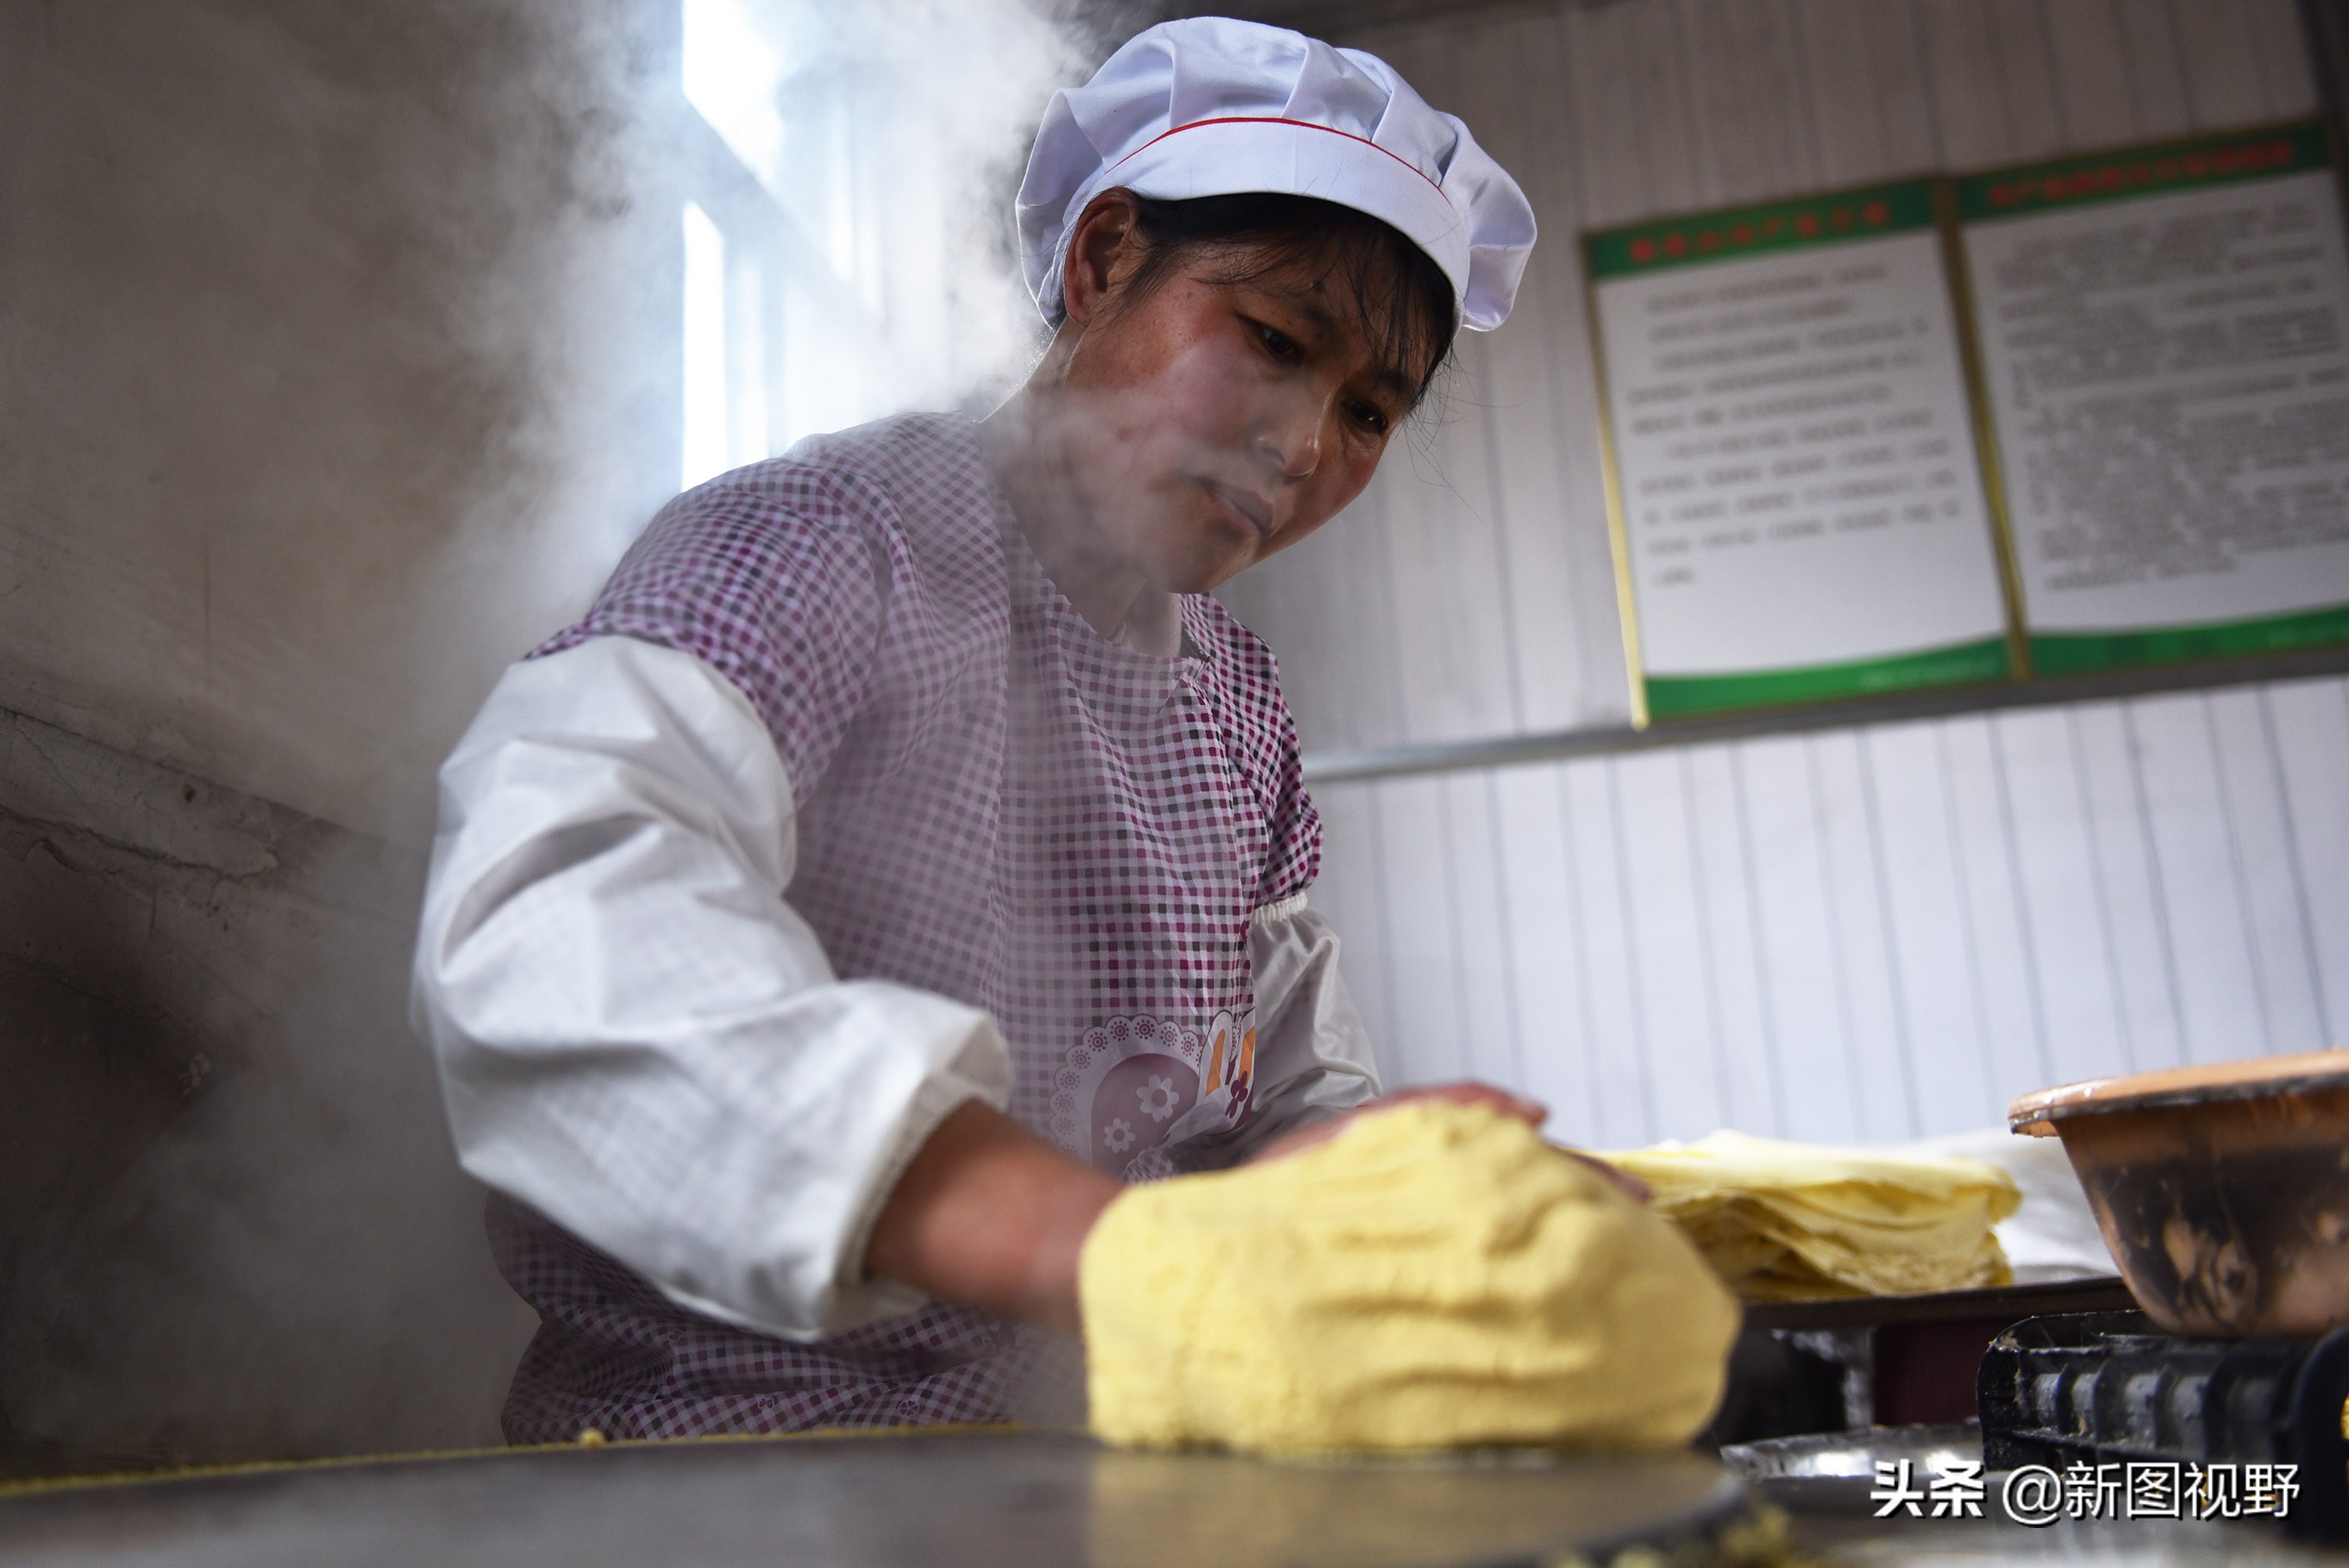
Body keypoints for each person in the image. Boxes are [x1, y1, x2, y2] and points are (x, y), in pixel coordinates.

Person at [413, 15, 1541, 1443]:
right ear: (1105, 256)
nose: (1306, 444)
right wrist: (1067, 1238)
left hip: (1102, 1491)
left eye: (1370, 412)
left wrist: (1383, 1213)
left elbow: (1291, 1086)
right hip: (731, 1490)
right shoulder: (825, 544)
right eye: (1271, 340)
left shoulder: (1239, 713)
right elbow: (556, 917)